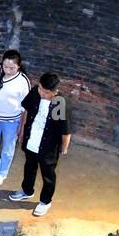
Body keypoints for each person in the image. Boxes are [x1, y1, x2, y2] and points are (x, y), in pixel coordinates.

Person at [7, 72, 70, 217]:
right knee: (29, 166)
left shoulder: (59, 103)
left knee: (48, 175)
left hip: (47, 146)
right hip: (32, 139)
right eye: (40, 89)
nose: (41, 93)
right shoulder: (35, 92)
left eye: (46, 92)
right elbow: (27, 112)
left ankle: (45, 201)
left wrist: (64, 148)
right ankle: (27, 191)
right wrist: (22, 130)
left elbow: (65, 130)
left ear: (55, 92)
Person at [0, 49, 32, 188]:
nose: (8, 70)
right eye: (5, 66)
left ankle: (3, 172)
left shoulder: (22, 81)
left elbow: (26, 104)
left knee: (8, 148)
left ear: (18, 66)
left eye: (12, 68)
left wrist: (22, 125)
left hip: (12, 120)